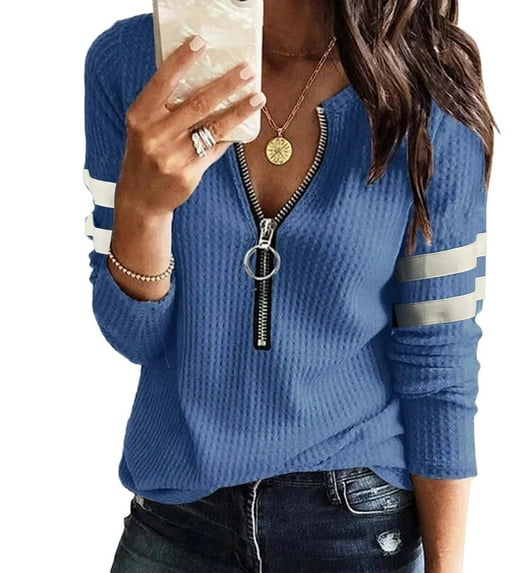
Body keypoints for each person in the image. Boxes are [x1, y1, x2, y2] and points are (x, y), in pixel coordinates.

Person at [82, 1, 496, 571]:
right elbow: (134, 336)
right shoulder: (131, 63)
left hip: (356, 520)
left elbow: (439, 356)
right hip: (178, 518)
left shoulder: (426, 82)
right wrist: (144, 212)